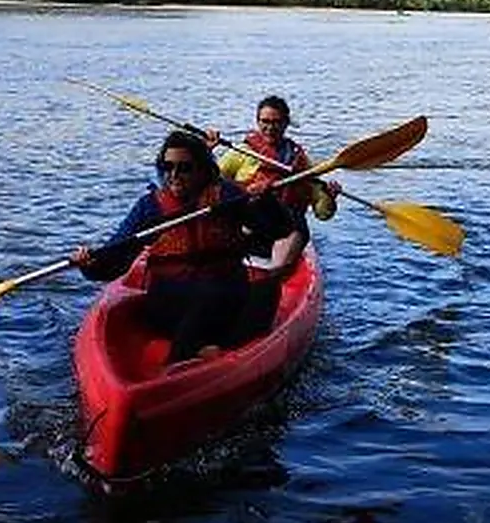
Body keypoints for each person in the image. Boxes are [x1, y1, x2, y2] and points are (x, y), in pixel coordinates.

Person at [71, 131, 298, 364]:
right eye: (168, 167)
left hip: (224, 297)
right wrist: (90, 264)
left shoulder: (226, 195)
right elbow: (114, 261)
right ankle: (186, 353)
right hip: (171, 302)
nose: (174, 175)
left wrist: (267, 203)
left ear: (202, 169)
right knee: (212, 295)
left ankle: (212, 346)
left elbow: (279, 230)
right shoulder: (150, 207)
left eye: (184, 168)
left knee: (267, 289)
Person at [204, 95, 338, 243]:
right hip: (249, 226)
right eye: (265, 121)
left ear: (286, 123)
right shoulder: (242, 152)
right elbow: (209, 182)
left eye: (276, 122)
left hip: (289, 228)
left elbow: (322, 214)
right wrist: (206, 152)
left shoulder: (300, 161)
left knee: (294, 223)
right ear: (258, 122)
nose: (270, 128)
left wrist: (329, 197)